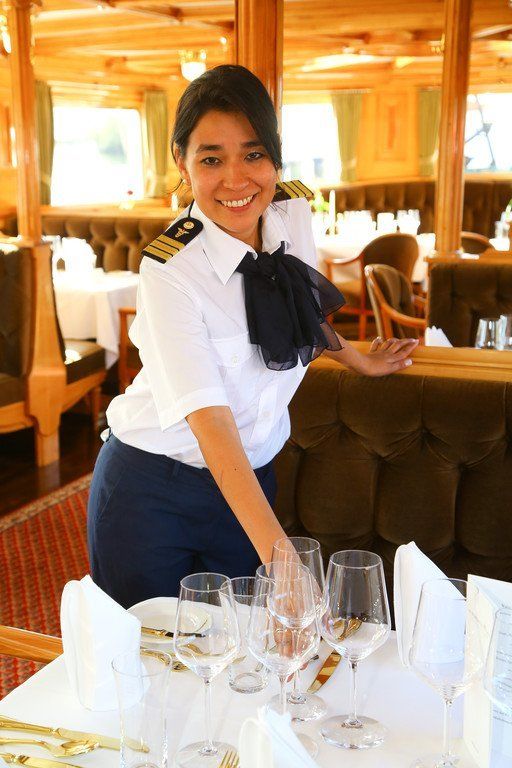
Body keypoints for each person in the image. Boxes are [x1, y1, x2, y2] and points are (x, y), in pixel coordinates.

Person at [87, 64, 418, 608]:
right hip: (152, 489)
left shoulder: (291, 210)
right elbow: (211, 424)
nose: (236, 180)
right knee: (153, 652)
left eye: (254, 154)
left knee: (240, 649)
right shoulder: (170, 269)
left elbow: (298, 307)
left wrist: (358, 359)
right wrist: (284, 563)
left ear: (275, 158)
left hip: (250, 483)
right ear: (182, 162)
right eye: (211, 159)